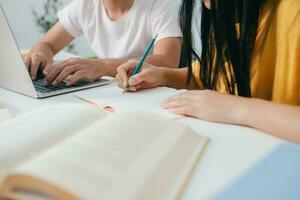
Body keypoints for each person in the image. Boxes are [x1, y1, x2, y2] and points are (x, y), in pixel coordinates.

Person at [116, 0, 300, 143]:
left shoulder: (293, 12)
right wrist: (162, 74)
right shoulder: (233, 13)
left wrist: (237, 108)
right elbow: (213, 75)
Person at [26, 0, 182, 86]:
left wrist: (102, 66)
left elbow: (167, 61)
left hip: (156, 92)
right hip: (114, 91)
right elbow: (46, 44)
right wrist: (39, 56)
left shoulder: (161, 4)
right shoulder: (84, 6)